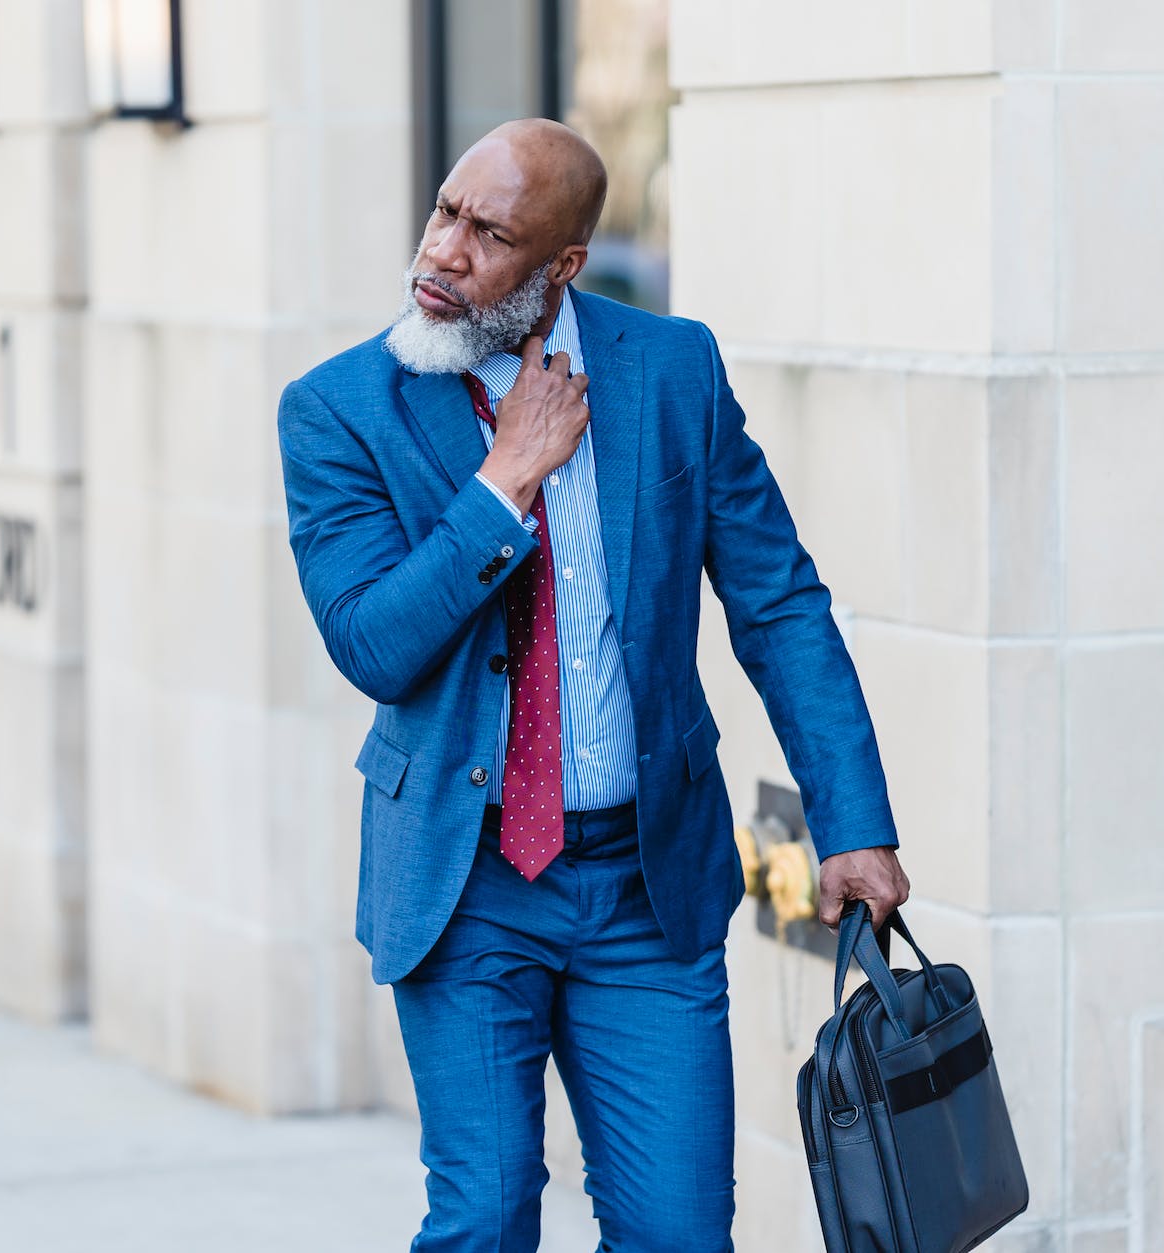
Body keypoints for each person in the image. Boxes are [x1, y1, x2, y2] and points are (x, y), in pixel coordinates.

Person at [276, 118, 911, 1252]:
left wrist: (850, 822)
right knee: (482, 1215)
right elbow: (371, 642)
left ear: (560, 266)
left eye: (488, 233)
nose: (443, 251)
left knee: (675, 1231)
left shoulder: (670, 373)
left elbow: (776, 603)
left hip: (644, 884)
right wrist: (504, 477)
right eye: (443, 212)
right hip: (464, 881)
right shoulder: (338, 409)